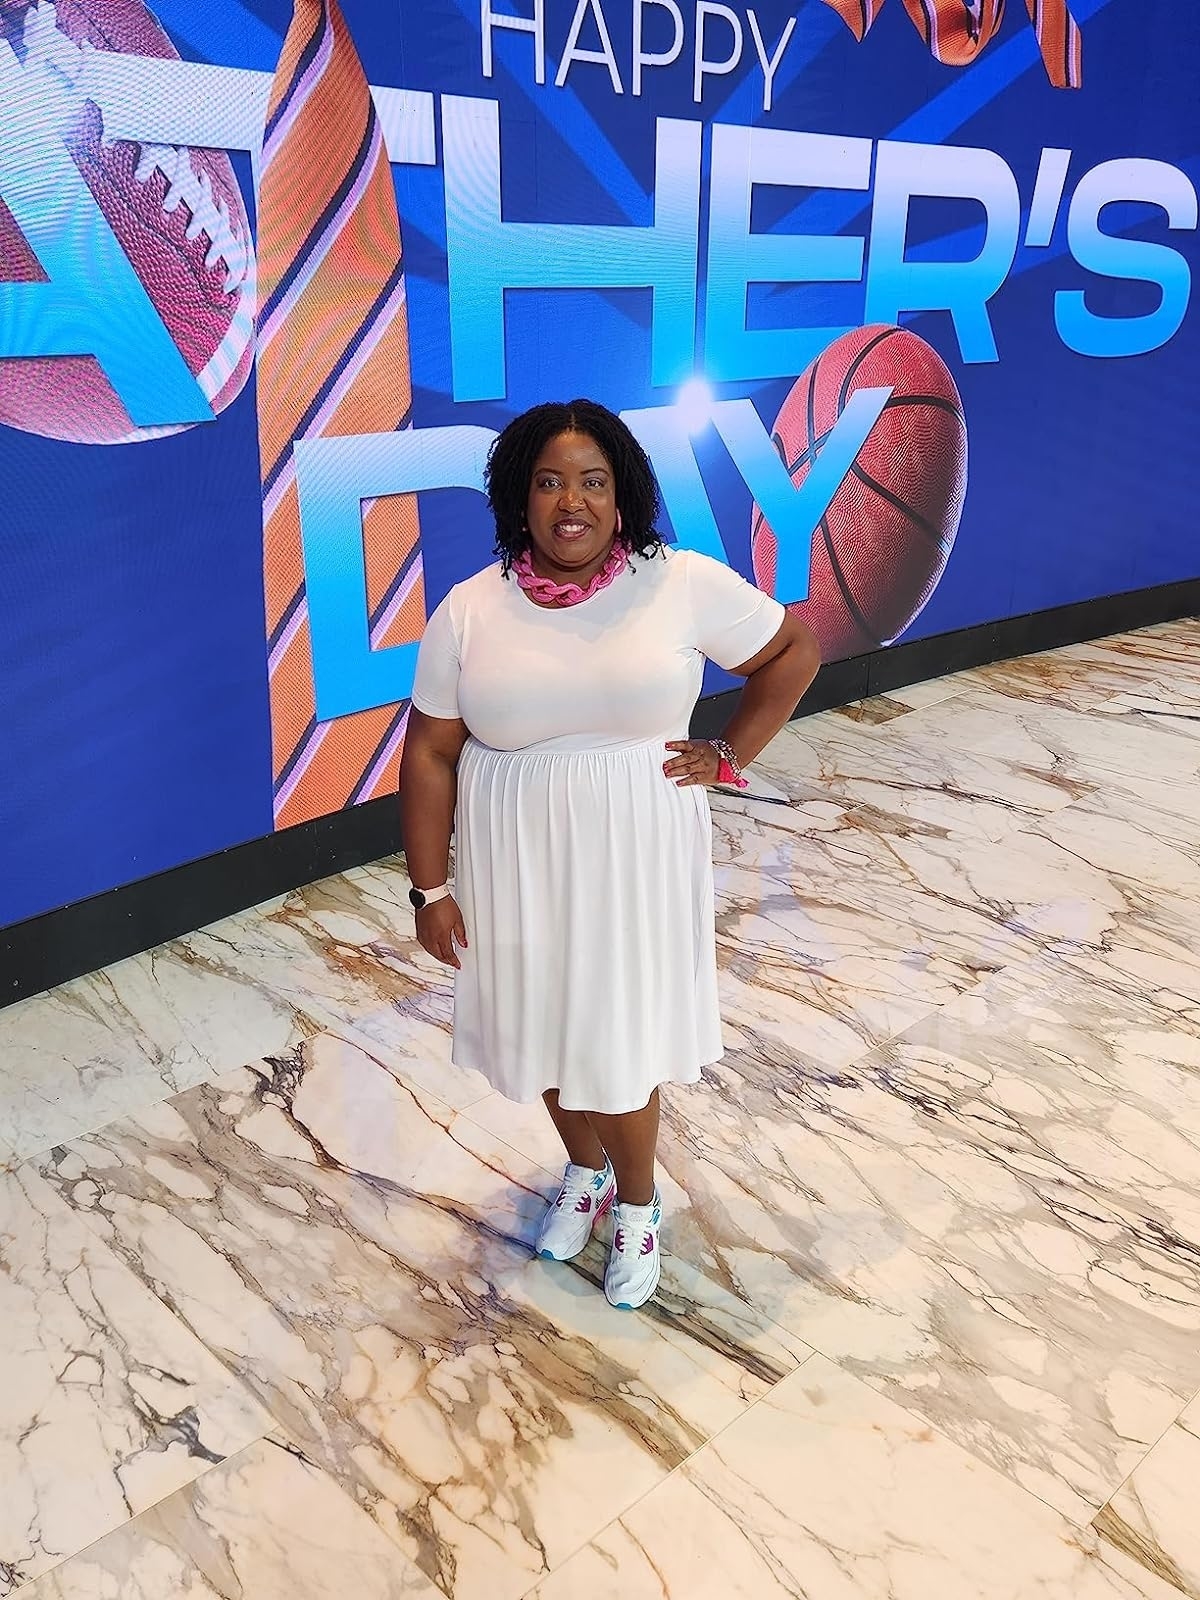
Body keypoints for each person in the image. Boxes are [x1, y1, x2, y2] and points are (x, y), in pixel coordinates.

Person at [400, 400, 819, 1310]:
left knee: (615, 1043)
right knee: (549, 1036)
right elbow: (430, 752)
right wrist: (430, 888)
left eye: (593, 481)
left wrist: (732, 755)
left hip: (632, 856)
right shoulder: (471, 611)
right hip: (516, 861)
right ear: (520, 499)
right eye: (549, 482)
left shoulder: (679, 583)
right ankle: (582, 1172)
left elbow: (793, 650)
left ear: (622, 497)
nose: (571, 503)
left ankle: (639, 1201)